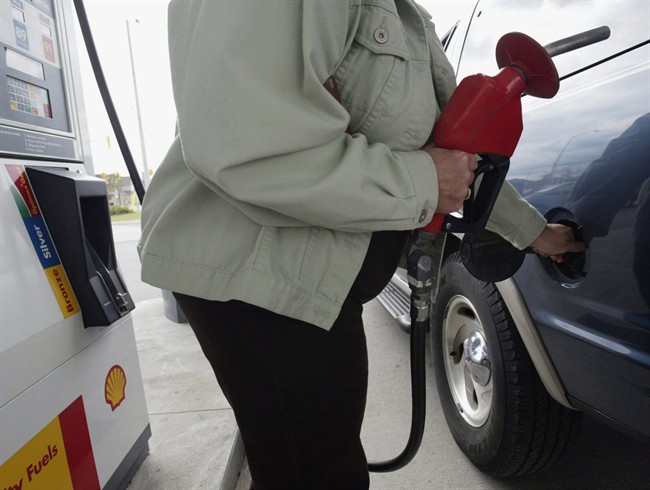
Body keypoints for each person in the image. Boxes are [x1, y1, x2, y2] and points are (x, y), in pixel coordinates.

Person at [138, 1, 583, 488]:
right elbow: (248, 144)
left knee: (318, 462)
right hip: (256, 274)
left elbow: (457, 151)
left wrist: (536, 233)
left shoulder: (407, 16)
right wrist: (422, 181)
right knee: (317, 474)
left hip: (310, 279)